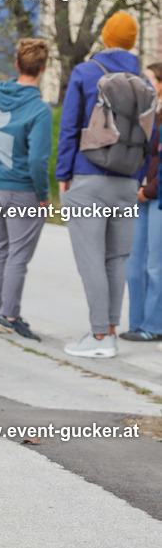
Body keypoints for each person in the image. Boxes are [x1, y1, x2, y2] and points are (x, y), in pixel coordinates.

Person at [57, 12, 153, 359]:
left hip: (87, 177)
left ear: (106, 36)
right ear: (132, 42)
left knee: (90, 260)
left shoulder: (85, 73)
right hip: (127, 182)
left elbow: (69, 129)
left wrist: (62, 175)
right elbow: (149, 137)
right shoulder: (143, 82)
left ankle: (99, 337)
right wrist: (136, 175)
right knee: (116, 258)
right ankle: (110, 330)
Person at [0, 38, 52, 342]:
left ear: (16, 65)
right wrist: (43, 195)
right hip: (22, 191)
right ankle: (9, 315)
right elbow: (38, 160)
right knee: (18, 254)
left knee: (2, 249)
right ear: (42, 69)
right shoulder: (39, 110)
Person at [120, 63, 162, 341]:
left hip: (156, 199)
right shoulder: (148, 117)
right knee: (134, 264)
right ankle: (137, 323)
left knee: (155, 266)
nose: (142, 85)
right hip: (139, 196)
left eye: (147, 80)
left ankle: (154, 326)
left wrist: (147, 191)